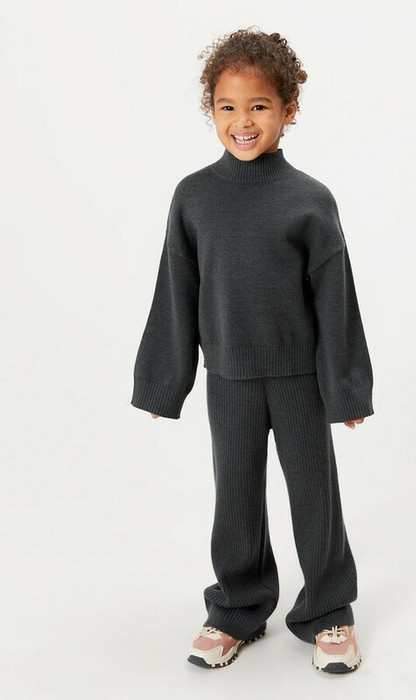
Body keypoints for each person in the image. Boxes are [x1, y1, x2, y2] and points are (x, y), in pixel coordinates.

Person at [130, 26, 375, 674]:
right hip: (229, 380)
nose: (243, 121)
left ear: (288, 110)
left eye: (259, 106)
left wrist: (347, 389)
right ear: (210, 110)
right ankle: (237, 609)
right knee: (234, 499)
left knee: (314, 497)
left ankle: (328, 611)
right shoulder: (193, 196)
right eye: (228, 107)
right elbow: (177, 290)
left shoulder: (310, 200)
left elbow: (336, 302)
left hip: (300, 380)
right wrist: (163, 380)